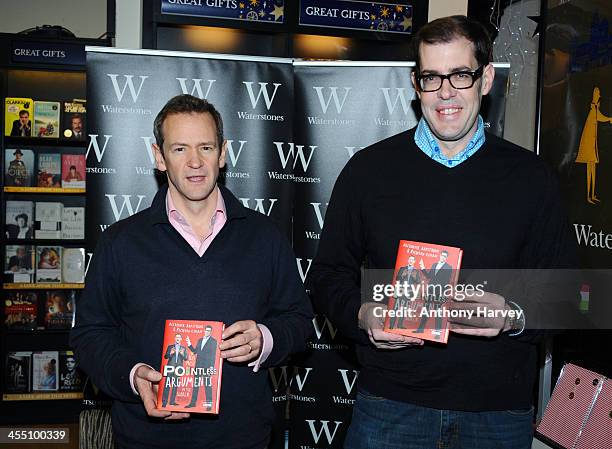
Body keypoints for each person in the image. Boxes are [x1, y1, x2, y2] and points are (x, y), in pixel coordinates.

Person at [308, 15, 575, 449]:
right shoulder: (368, 171)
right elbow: (326, 277)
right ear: (416, 85)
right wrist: (363, 316)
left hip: (497, 413)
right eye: (432, 77)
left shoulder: (532, 178)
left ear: (485, 79)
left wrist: (511, 315)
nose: (446, 92)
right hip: (389, 407)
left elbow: (574, 295)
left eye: (461, 75)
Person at [70, 94, 313, 449]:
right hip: (146, 439)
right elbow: (90, 335)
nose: (195, 162)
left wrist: (266, 338)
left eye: (206, 147)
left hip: (243, 438)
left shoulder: (265, 237)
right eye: (180, 149)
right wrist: (134, 375)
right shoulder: (121, 242)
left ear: (224, 152)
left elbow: (300, 320)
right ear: (159, 157)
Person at [575, 86, 611, 204]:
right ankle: (588, 197)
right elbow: (599, 118)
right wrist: (609, 118)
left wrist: (609, 118)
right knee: (589, 172)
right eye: (598, 94)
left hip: (592, 145)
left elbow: (600, 117)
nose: (600, 96)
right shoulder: (593, 109)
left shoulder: (594, 109)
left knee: (593, 170)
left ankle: (592, 195)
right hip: (588, 146)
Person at [185, 326, 217, 409]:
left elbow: (213, 355)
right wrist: (189, 344)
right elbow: (195, 352)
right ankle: (192, 403)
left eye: (209, 331)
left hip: (207, 367)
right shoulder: (200, 340)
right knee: (196, 385)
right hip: (198, 366)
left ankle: (209, 406)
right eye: (206, 330)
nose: (207, 332)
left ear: (211, 332)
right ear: (204, 331)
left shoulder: (213, 341)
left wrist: (211, 368)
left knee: (207, 386)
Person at [161, 333, 188, 407]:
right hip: (170, 367)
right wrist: (170, 353)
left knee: (175, 385)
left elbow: (186, 358)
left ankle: (172, 401)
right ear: (175, 338)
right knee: (167, 384)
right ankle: (164, 402)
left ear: (181, 339)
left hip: (179, 368)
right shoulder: (170, 347)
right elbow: (166, 356)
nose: (178, 338)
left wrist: (182, 354)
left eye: (179, 337)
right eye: (176, 337)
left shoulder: (183, 348)